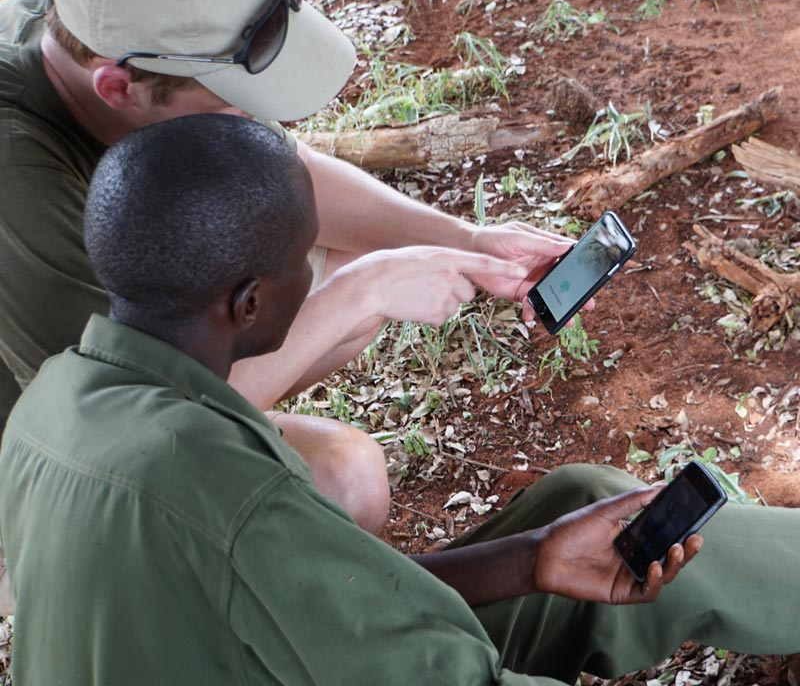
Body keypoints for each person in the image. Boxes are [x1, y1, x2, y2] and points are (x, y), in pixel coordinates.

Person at [1, 113, 798, 685]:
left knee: (587, 507)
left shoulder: (55, 404)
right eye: (302, 259)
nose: (315, 271)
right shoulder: (227, 493)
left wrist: (532, 557)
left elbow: (304, 601)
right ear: (247, 304)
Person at [0, 0, 575, 540]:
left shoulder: (90, 15)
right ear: (118, 87)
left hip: (114, 372)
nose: (265, 118)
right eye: (234, 101)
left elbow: (283, 171)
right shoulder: (18, 176)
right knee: (344, 476)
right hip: (54, 454)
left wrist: (470, 239)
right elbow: (126, 427)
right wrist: (361, 294)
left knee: (336, 270)